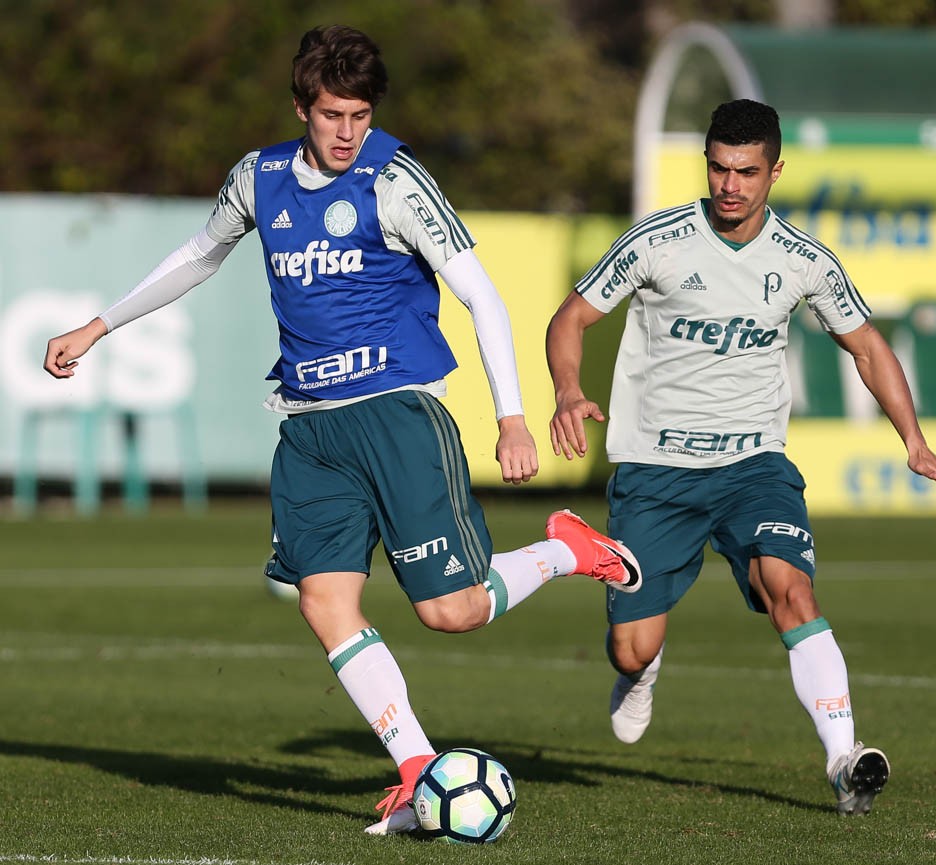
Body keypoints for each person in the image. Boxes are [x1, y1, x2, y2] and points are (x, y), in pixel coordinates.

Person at [43, 24, 642, 836]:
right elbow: (197, 254)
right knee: (324, 600)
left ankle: (569, 549)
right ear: (301, 107)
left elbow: (483, 296)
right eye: (332, 115)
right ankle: (418, 770)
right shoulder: (258, 179)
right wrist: (96, 327)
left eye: (360, 115)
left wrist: (510, 415)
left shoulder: (396, 181)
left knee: (452, 612)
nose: (347, 132)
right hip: (309, 430)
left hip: (398, 413)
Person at [545, 99, 936, 816]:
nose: (730, 185)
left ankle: (843, 758)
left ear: (775, 171)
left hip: (753, 468)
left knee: (792, 592)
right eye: (718, 168)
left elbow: (867, 346)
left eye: (746, 171)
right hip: (655, 469)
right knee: (629, 648)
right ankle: (642, 672)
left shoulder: (803, 261)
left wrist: (916, 441)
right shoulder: (659, 240)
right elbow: (572, 316)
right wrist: (565, 390)